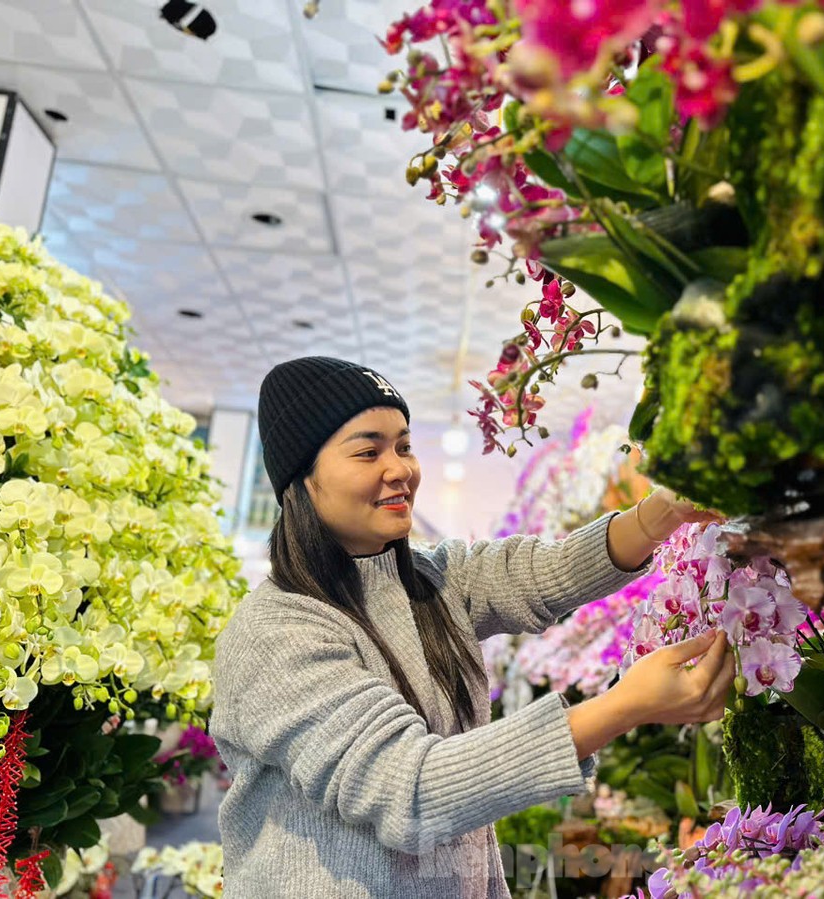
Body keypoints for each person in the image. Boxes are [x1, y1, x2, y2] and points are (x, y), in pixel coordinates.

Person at [211, 357, 736, 898]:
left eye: (404, 446)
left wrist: (661, 515)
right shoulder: (276, 633)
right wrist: (626, 706)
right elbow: (412, 790)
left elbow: (543, 574)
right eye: (369, 451)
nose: (400, 470)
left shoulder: (430, 580)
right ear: (301, 479)